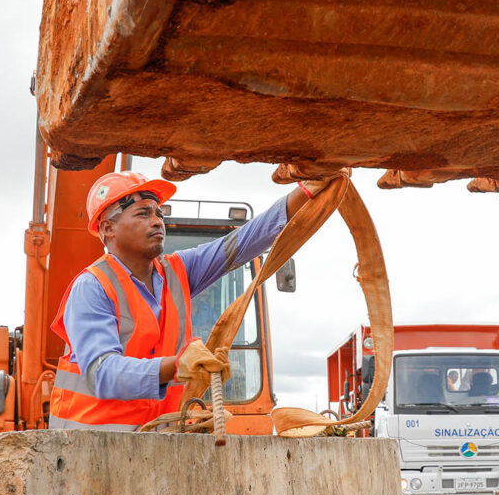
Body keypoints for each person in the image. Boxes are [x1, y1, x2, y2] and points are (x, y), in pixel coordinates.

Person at [48, 169, 331, 430]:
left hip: (155, 445)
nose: (158, 221)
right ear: (108, 228)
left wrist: (306, 192)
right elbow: (102, 374)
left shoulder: (177, 271)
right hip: (89, 453)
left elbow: (244, 241)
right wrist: (178, 365)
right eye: (143, 214)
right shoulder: (92, 287)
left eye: (159, 214)